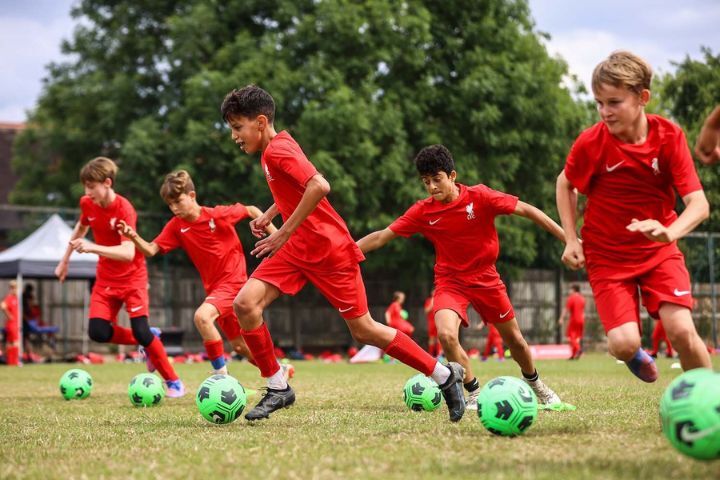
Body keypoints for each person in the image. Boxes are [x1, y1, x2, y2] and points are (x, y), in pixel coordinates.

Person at [221, 85, 466, 422]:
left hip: (328, 250)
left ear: (261, 122)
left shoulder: (277, 150)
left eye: (237, 127)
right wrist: (270, 214)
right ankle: (278, 387)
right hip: (297, 250)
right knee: (245, 304)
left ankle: (444, 375)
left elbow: (319, 185)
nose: (234, 136)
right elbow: (296, 187)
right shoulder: (272, 151)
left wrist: (285, 232)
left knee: (364, 330)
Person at [357, 144, 565, 410]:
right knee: (446, 334)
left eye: (437, 179)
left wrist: (570, 239)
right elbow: (381, 236)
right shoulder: (423, 211)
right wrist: (345, 252)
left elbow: (530, 211)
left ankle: (537, 385)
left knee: (516, 342)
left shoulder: (480, 196)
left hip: (486, 278)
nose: (432, 187)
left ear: (452, 176)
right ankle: (474, 392)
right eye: (426, 182)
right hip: (450, 281)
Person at [556, 51, 713, 382]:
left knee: (682, 330)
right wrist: (572, 238)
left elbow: (698, 203)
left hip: (658, 251)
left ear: (642, 98)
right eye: (599, 102)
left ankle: (708, 404)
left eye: (614, 102)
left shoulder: (669, 137)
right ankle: (633, 354)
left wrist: (670, 232)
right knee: (624, 344)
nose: (604, 112)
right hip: (607, 257)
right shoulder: (591, 143)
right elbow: (565, 183)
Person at [117, 170, 292, 379]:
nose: (174, 208)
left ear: (192, 196)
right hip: (215, 290)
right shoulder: (176, 226)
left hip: (234, 283)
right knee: (239, 347)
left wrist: (278, 239)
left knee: (202, 317)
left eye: (178, 202)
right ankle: (278, 370)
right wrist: (133, 236)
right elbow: (151, 250)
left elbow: (253, 210)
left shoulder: (217, 215)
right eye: (170, 205)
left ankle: (220, 377)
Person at [55, 157, 185, 397]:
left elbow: (127, 253)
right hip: (105, 278)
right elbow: (81, 228)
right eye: (85, 186)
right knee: (98, 332)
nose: (87, 192)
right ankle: (148, 339)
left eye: (92, 186)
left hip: (132, 277)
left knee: (142, 333)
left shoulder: (125, 209)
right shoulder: (87, 203)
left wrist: (92, 248)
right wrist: (65, 260)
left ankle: (174, 381)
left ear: (107, 183)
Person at [557, 284, 585, 360]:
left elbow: (566, 309)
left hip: (574, 319)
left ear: (573, 289)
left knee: (571, 336)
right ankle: (573, 355)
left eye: (571, 289)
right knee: (577, 338)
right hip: (582, 320)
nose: (570, 291)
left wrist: (561, 318)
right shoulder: (582, 298)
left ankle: (578, 349)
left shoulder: (571, 298)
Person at [1, 281, 20, 366]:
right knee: (15, 342)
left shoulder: (16, 298)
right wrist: (9, 316)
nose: (15, 289)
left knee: (10, 342)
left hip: (15, 323)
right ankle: (14, 361)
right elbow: (2, 306)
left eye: (15, 287)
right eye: (13, 288)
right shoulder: (9, 298)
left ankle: (11, 362)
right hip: (12, 323)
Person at [423, 290, 442, 357]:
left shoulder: (440, 300)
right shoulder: (428, 300)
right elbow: (426, 311)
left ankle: (439, 355)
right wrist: (431, 304)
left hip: (439, 321)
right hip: (431, 322)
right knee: (431, 338)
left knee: (439, 338)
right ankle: (431, 355)